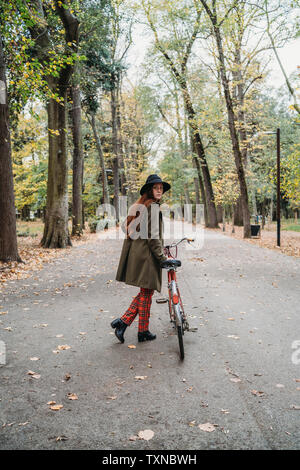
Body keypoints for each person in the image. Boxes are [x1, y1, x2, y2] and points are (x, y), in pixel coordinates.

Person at [112, 174, 171, 343]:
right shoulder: (151, 208)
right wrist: (161, 257)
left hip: (141, 255)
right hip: (147, 256)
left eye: (161, 188)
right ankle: (125, 322)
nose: (159, 190)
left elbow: (126, 227)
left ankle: (139, 329)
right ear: (149, 190)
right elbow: (153, 237)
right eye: (156, 188)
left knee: (146, 292)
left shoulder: (141, 206)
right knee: (147, 292)